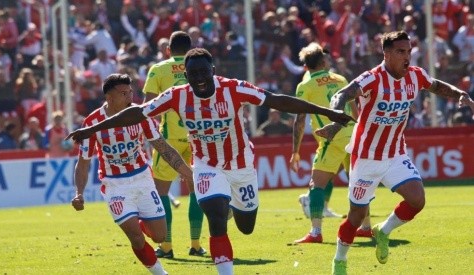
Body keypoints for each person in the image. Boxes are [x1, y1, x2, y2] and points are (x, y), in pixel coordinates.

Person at [66, 48, 354, 275]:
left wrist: (327, 112)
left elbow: (279, 101)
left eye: (204, 72)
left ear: (213, 71)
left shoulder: (234, 88)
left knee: (246, 225)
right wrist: (91, 130)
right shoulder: (177, 96)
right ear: (186, 76)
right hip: (206, 165)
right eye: (193, 74)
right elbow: (138, 113)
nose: (199, 78)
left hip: (241, 164)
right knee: (216, 218)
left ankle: (233, 204)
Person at [312, 31, 470, 275]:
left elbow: (437, 86)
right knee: (356, 216)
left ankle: (383, 231)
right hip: (365, 157)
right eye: (400, 52)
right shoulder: (372, 78)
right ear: (386, 54)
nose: (407, 56)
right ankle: (339, 260)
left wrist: (460, 94)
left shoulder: (415, 75)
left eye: (408, 51)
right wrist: (335, 120)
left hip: (395, 154)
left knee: (417, 200)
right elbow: (342, 94)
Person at [71, 74, 193, 275]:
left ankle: (138, 219)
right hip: (115, 185)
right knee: (136, 238)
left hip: (143, 180)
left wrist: (188, 174)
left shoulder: (140, 115)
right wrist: (79, 192)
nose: (130, 97)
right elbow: (83, 163)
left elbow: (163, 147)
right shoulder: (92, 122)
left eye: (131, 92)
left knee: (160, 237)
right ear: (109, 98)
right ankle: (161, 273)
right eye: (123, 93)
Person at [291, 42, 374, 245]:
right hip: (353, 135)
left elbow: (299, 119)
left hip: (332, 137)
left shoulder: (305, 86)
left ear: (307, 66)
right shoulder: (340, 79)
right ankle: (366, 227)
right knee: (358, 182)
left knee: (316, 185)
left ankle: (316, 232)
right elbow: (355, 111)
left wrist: (295, 150)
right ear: (323, 61)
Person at [142, 31, 206, 258]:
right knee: (196, 190)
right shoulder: (201, 67)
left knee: (162, 192)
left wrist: (146, 138)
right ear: (191, 49)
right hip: (198, 137)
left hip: (168, 139)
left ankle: (167, 246)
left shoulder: (158, 70)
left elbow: (147, 107)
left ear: (167, 49)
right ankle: (196, 245)